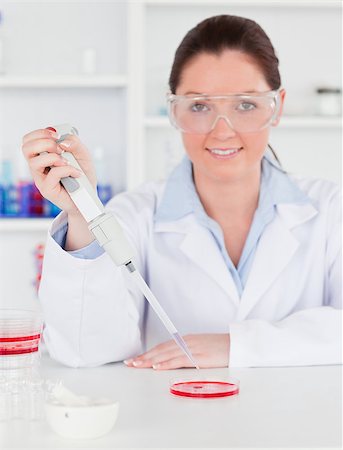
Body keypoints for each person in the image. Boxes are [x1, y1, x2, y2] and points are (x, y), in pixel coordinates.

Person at [22, 15, 341, 369]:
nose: (223, 131)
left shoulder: (330, 208)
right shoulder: (136, 213)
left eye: (246, 105)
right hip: (172, 420)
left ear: (276, 107)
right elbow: (83, 350)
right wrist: (83, 213)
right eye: (200, 106)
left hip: (299, 424)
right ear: (174, 111)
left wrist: (237, 346)